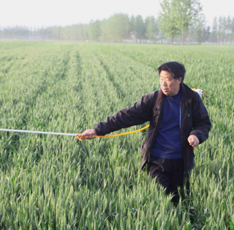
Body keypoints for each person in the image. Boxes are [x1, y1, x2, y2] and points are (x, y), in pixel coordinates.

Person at [80, 61, 212, 204]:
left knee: (178, 200)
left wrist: (196, 135)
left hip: (181, 160)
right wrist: (97, 130)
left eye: (167, 79)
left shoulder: (192, 100)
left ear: (179, 80)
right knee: (161, 201)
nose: (163, 84)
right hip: (157, 160)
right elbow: (126, 116)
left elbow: (203, 123)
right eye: (161, 79)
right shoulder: (153, 100)